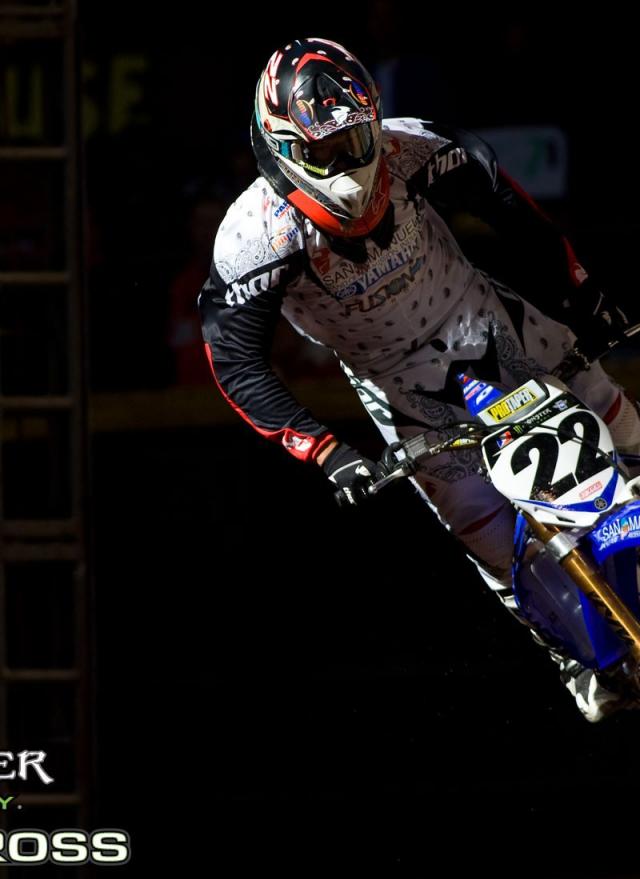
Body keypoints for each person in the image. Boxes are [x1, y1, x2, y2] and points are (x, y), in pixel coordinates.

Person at [198, 38, 640, 722]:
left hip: (494, 323)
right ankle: (570, 655)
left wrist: (584, 299)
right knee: (481, 527)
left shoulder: (414, 146)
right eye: (325, 150)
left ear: (375, 120)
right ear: (283, 146)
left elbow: (511, 206)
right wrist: (326, 451)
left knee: (620, 423)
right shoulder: (253, 237)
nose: (348, 165)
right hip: (399, 388)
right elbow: (233, 360)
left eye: (355, 141)